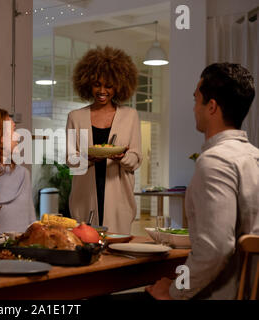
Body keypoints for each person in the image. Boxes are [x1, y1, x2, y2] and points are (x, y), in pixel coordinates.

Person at [146, 63, 259, 300]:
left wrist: (175, 289)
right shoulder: (254, 156)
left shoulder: (215, 162)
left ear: (212, 106)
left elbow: (214, 249)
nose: (194, 108)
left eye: (196, 99)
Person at [66, 46, 142, 234]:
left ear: (119, 86)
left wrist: (122, 157)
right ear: (87, 83)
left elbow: (136, 158)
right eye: (97, 84)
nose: (102, 91)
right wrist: (89, 159)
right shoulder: (75, 116)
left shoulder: (130, 116)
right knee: (86, 245)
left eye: (108, 86)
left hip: (119, 193)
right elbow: (71, 160)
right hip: (84, 195)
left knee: (117, 247)